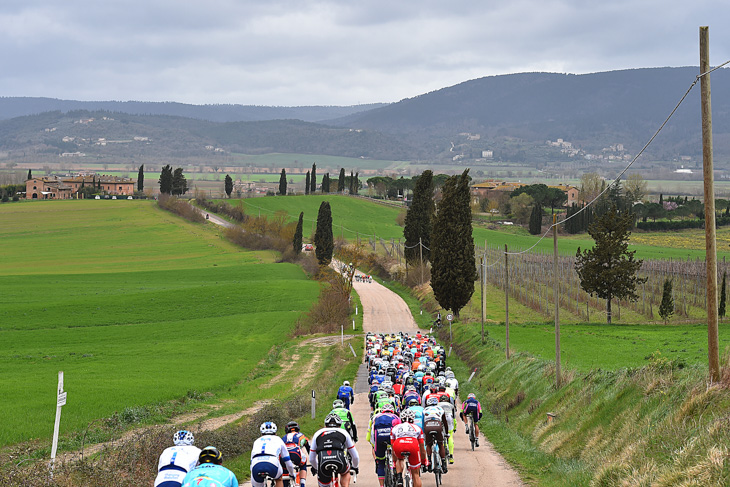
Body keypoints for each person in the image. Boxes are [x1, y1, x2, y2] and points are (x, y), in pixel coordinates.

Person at [309, 414, 360, 487]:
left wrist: (317, 468)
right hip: (339, 460)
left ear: (325, 425)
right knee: (345, 472)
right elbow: (355, 456)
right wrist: (355, 466)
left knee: (323, 482)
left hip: (323, 462)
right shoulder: (343, 432)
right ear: (339, 425)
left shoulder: (317, 433)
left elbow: (311, 458)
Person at [250, 422, 296, 487]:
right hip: (272, 461)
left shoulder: (256, 441)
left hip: (256, 464)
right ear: (275, 433)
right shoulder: (278, 439)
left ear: (261, 434)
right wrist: (291, 474)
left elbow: (251, 463)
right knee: (279, 479)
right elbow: (287, 460)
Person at [390, 408, 428, 487]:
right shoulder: (417, 428)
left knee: (399, 459)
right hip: (412, 444)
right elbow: (422, 448)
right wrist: (424, 461)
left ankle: (399, 477)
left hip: (399, 443)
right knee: (415, 475)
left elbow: (393, 449)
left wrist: (394, 462)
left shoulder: (395, 428)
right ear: (413, 419)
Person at [367, 403, 401, 487]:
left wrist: (374, 445)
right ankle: (395, 468)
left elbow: (372, 433)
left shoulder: (376, 417)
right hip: (391, 438)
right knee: (396, 457)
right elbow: (399, 431)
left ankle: (382, 485)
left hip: (379, 438)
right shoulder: (396, 417)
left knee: (381, 462)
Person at [422, 397, 448, 473]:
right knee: (440, 444)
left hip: (427, 426)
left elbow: (423, 423)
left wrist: (424, 434)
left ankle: (429, 462)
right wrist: (446, 433)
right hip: (437, 425)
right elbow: (445, 423)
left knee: (428, 445)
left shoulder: (425, 410)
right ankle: (443, 463)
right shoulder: (440, 409)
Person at [283, 421, 310, 487]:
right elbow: (309, 448)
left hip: (285, 454)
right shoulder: (301, 435)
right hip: (296, 453)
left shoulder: (283, 437)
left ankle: (285, 484)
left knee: (284, 469)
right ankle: (302, 484)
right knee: (303, 464)